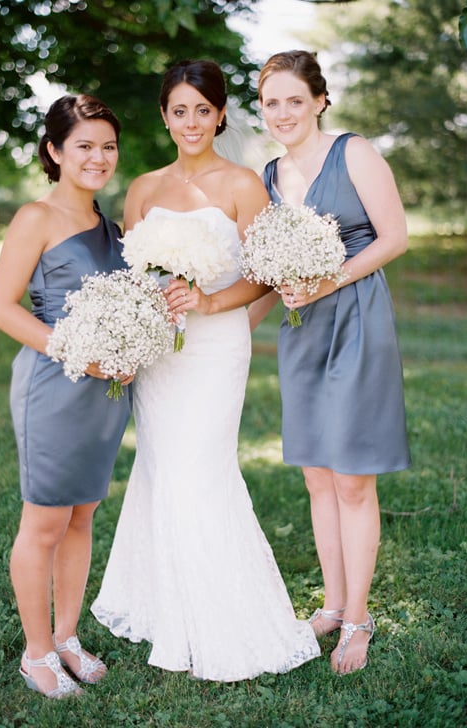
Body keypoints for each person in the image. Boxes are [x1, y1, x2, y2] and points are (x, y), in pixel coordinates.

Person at [91, 59, 320, 681]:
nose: (191, 122)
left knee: (200, 473)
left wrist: (211, 301)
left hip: (216, 348)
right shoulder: (142, 188)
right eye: (178, 110)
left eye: (202, 109)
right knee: (162, 471)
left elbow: (263, 273)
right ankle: (172, 614)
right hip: (160, 355)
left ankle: (228, 624)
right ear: (164, 116)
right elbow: (133, 278)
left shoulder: (244, 184)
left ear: (220, 115)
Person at [249, 50, 411, 675]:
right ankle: (335, 603)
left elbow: (395, 237)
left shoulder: (355, 154)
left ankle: (361, 618)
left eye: (295, 99)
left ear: (319, 101)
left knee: (351, 477)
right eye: (271, 102)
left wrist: (328, 282)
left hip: (357, 320)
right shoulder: (269, 174)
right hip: (302, 329)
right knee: (317, 474)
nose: (284, 112)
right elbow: (267, 271)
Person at [0, 94, 133, 698]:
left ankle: (68, 636)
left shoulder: (114, 227)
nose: (98, 157)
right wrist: (79, 353)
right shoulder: (35, 218)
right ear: (54, 151)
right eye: (84, 146)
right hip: (55, 383)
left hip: (106, 395)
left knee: (81, 516)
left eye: (108, 146)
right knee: (45, 521)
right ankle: (37, 652)